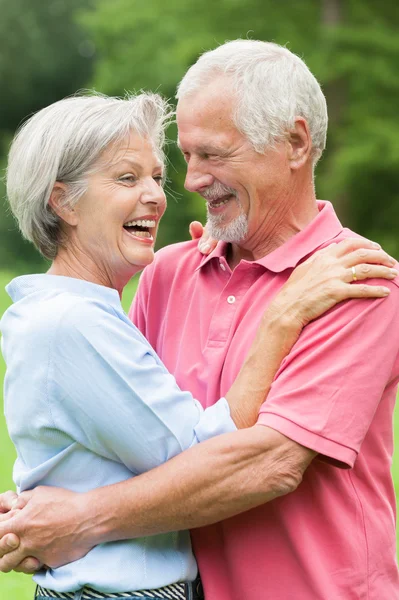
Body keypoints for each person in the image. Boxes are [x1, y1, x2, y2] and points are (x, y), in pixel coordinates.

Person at [0, 40, 398, 600]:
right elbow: (116, 430)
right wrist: (34, 507)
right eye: (186, 157)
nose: (189, 181)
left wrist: (78, 518)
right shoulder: (167, 274)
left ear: (295, 143)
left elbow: (267, 464)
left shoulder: (357, 281)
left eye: (212, 154)